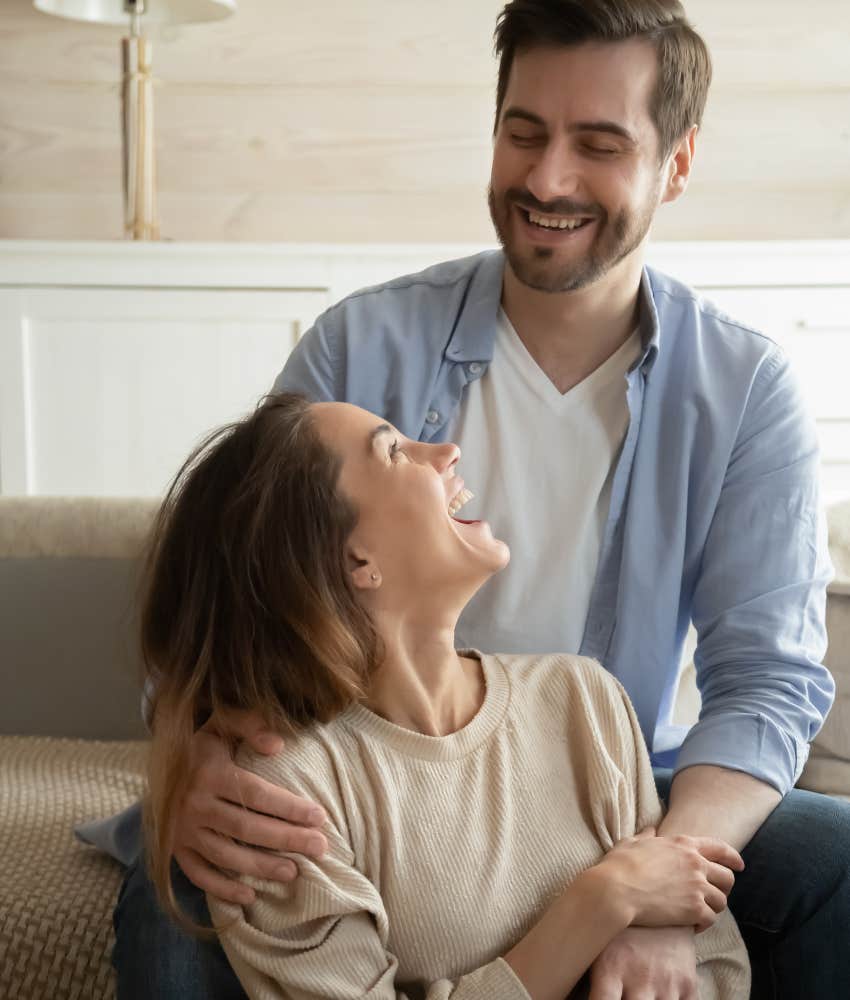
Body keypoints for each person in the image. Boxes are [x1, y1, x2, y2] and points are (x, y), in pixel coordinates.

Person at [104, 1, 850, 998]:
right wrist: (197, 765)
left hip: (606, 795)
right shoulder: (356, 347)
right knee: (184, 887)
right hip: (367, 789)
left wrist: (659, 884)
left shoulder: (743, 391)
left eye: (598, 144)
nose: (547, 180)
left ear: (674, 165)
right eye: (523, 133)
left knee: (831, 852)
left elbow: (767, 679)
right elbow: (234, 585)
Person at [142, 391, 750, 999]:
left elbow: (710, 964)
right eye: (396, 452)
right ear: (357, 558)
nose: (446, 451)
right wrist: (600, 901)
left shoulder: (582, 698)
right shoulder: (288, 799)